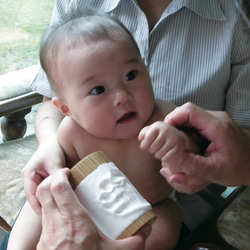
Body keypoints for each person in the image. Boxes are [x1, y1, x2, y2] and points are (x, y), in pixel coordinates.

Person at [3, 0, 247, 249]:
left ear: (145, 67)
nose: (122, 95)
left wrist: (178, 143)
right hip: (83, 204)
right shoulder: (70, 131)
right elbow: (60, 177)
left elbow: (200, 152)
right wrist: (50, 155)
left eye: (131, 75)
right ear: (67, 110)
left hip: (148, 208)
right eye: (98, 90)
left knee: (167, 221)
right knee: (41, 203)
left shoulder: (165, 117)